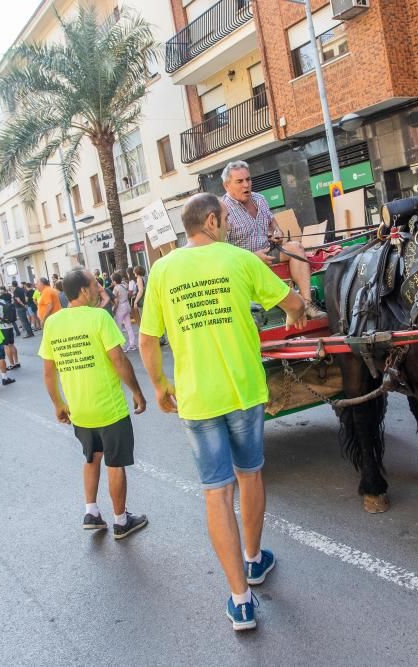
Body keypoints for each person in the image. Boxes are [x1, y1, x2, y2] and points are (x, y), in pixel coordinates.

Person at [139, 193, 306, 631]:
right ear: (213, 221)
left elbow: (146, 340)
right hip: (244, 391)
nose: (228, 226)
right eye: (225, 220)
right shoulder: (239, 260)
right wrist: (297, 316)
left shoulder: (162, 269)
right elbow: (291, 302)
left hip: (196, 399)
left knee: (217, 493)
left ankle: (241, 599)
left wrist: (159, 386)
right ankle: (254, 560)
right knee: (250, 474)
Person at [40, 268, 148, 540]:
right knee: (114, 463)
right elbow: (119, 360)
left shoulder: (52, 323)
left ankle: (91, 511)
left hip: (79, 409)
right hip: (108, 407)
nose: (99, 289)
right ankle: (121, 521)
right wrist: (137, 391)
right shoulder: (99, 317)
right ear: (84, 291)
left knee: (91, 457)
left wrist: (58, 404)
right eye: (95, 286)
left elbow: (48, 371)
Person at [221, 160, 325, 319]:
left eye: (248, 179)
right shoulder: (222, 209)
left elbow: (273, 224)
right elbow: (222, 250)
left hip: (269, 253)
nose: (246, 185)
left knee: (296, 247)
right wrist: (251, 258)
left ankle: (306, 304)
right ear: (227, 185)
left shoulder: (260, 199)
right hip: (244, 266)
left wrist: (277, 232)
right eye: (239, 181)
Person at [111, 272, 137, 352]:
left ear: (114, 281)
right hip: (127, 305)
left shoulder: (116, 288)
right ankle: (132, 344)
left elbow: (115, 300)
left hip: (120, 307)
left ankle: (122, 346)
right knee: (128, 326)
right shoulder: (124, 285)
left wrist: (114, 309)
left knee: (118, 327)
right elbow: (129, 293)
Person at [0, 291, 21, 369]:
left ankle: (11, 364)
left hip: (3, 327)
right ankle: (16, 362)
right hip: (10, 326)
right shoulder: (8, 304)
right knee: (12, 345)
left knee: (6, 346)